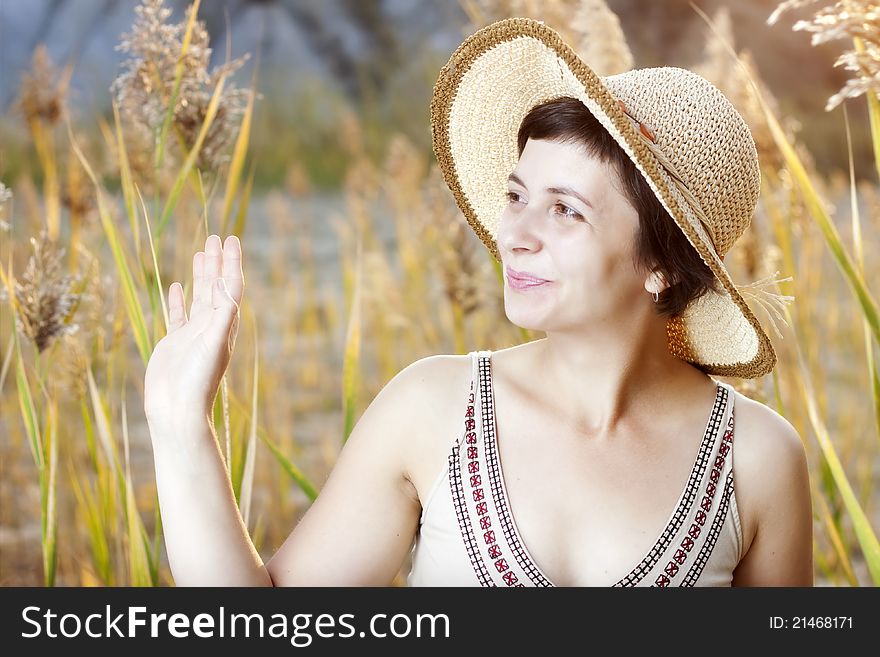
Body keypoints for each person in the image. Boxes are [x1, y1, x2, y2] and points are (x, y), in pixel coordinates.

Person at [143, 18, 812, 586]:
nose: (514, 236)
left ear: (661, 264)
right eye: (518, 196)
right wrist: (180, 426)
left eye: (565, 211)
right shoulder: (432, 409)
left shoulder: (757, 459)